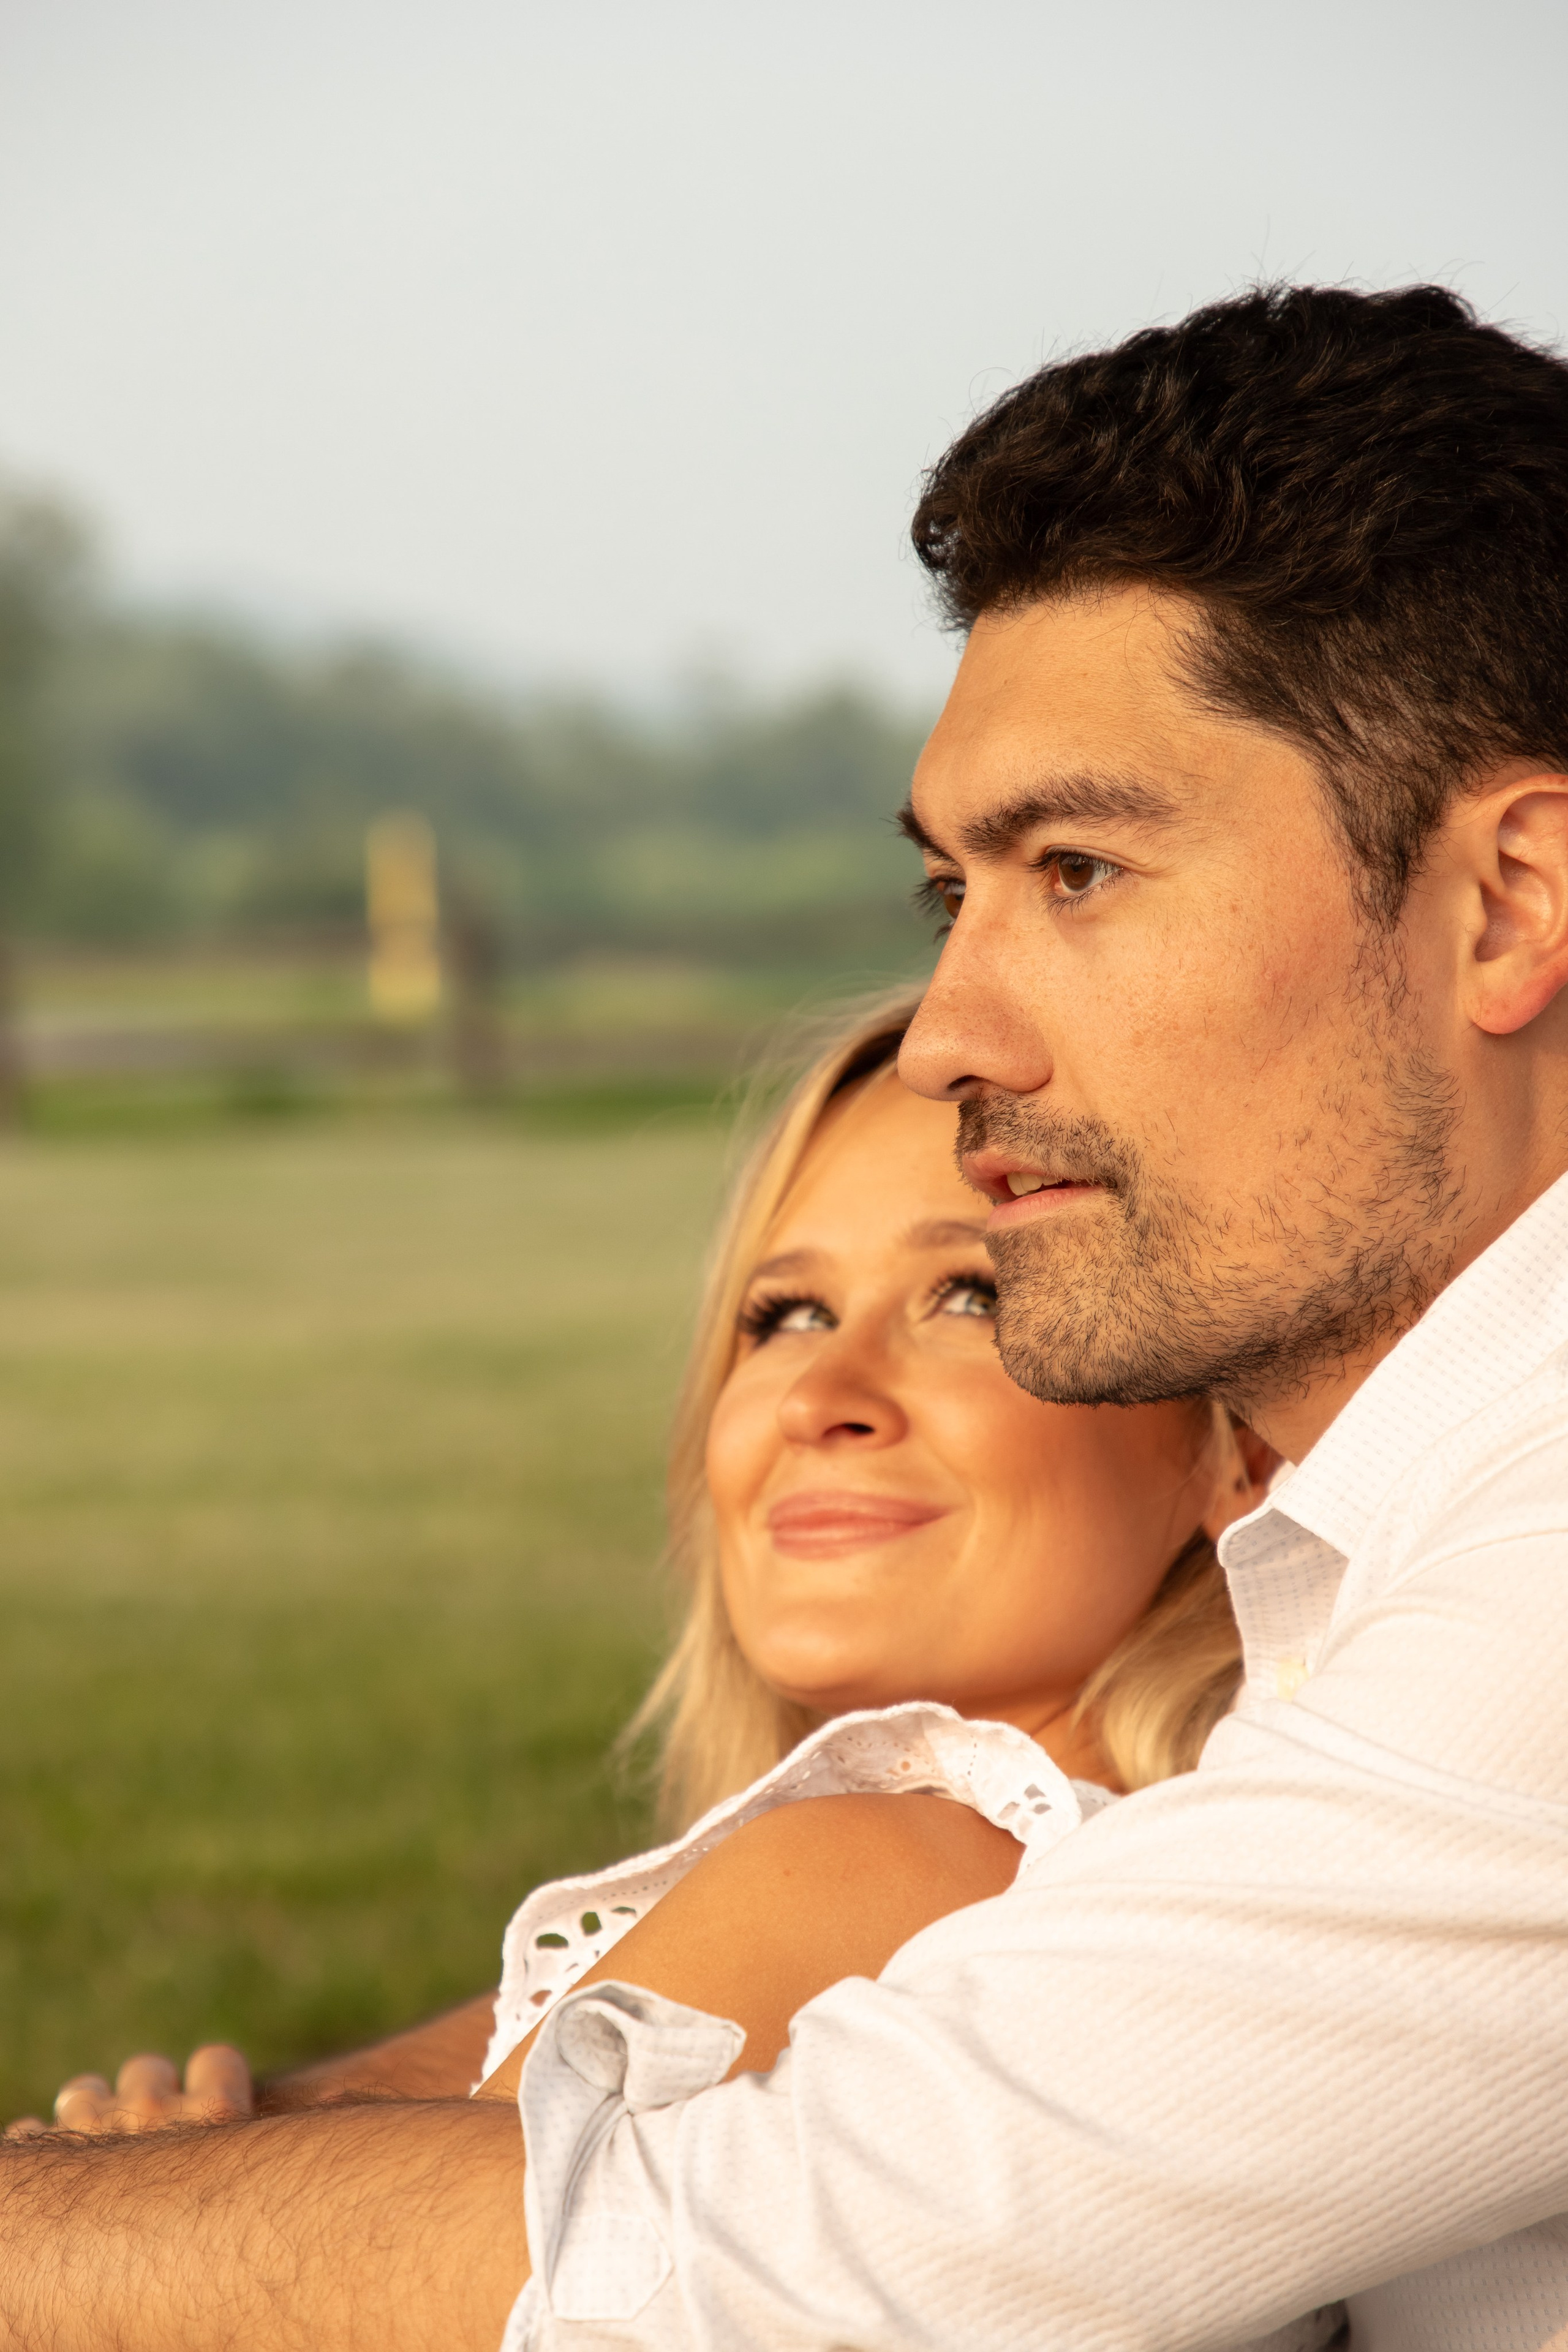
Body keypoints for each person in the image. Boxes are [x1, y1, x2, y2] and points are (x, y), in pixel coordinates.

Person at [10, 279, 1568, 2351]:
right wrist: (263, 2134)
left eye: (1080, 871)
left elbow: (775, 2264)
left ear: (1512, 901)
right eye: (955, 894)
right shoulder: (1385, 1578)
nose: (950, 1033)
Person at [28, 994, 1265, 2119]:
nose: (818, 1396)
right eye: (786, 1316)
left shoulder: (892, 1875)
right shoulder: (1164, 1876)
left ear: (1231, 1445)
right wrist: (230, 2142)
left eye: (970, 1297)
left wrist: (146, 2210)